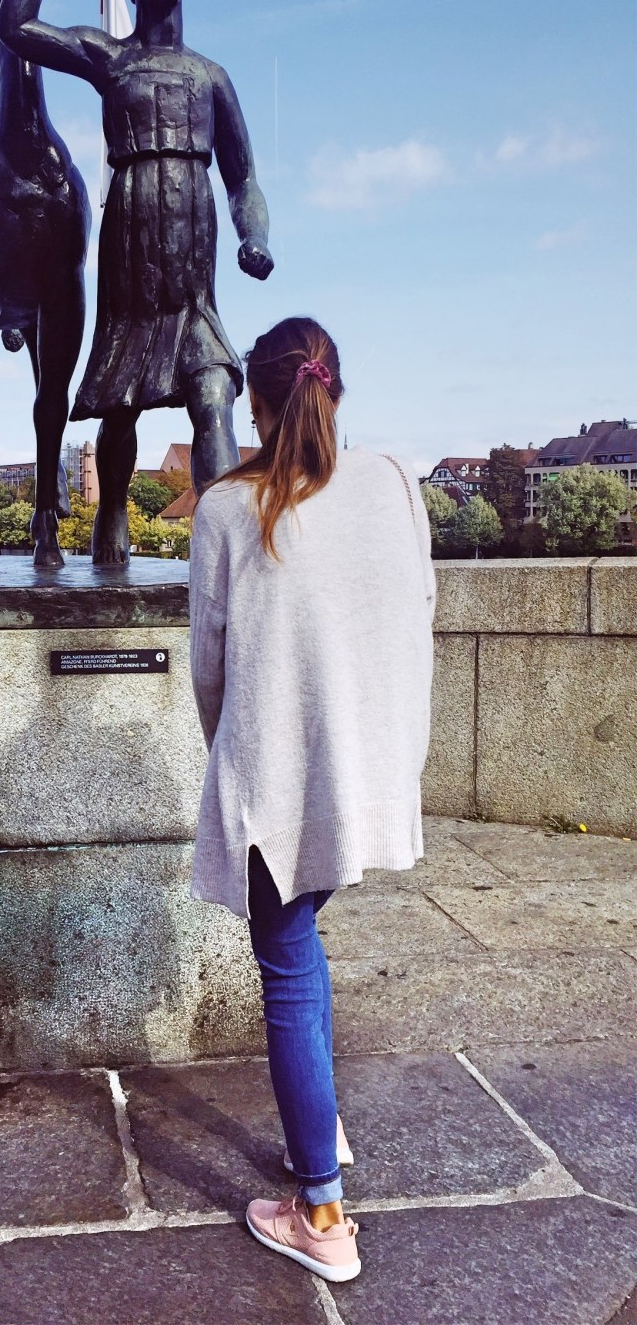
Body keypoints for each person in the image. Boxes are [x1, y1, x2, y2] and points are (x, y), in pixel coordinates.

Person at [188, 317, 436, 1283]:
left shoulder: (227, 510)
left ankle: (322, 1215)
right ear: (336, 388)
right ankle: (316, 1128)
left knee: (286, 964)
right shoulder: (394, 482)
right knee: (304, 949)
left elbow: (211, 671)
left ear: (253, 402)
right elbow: (417, 609)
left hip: (281, 781)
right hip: (368, 768)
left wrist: (231, 758)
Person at [0, 0, 273, 563]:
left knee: (214, 393)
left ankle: (224, 555)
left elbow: (243, 177)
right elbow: (18, 26)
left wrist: (254, 235)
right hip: (130, 253)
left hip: (193, 279)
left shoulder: (211, 77)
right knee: (120, 405)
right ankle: (112, 517)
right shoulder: (110, 57)